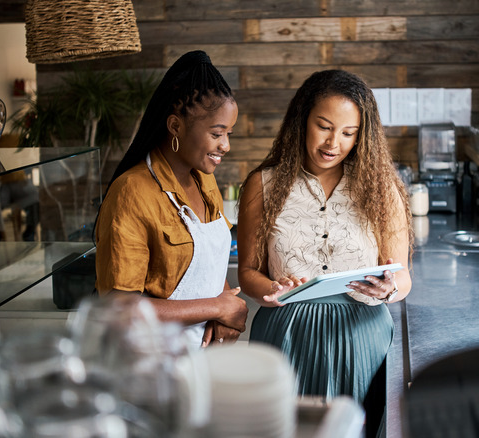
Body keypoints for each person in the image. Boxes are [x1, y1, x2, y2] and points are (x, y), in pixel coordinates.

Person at [236, 69, 412, 435]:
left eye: (349, 133)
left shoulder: (382, 189)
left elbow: (403, 277)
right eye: (324, 126)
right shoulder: (262, 184)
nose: (334, 142)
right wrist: (270, 288)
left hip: (361, 336)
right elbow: (248, 273)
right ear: (302, 121)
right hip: (285, 335)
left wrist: (389, 289)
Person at [94, 50, 247, 349]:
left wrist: (225, 307)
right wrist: (219, 308)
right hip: (151, 364)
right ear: (175, 126)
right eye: (217, 133)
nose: (225, 145)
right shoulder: (132, 192)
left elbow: (210, 260)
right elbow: (120, 309)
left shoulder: (204, 179)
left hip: (202, 357)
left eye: (229, 133)